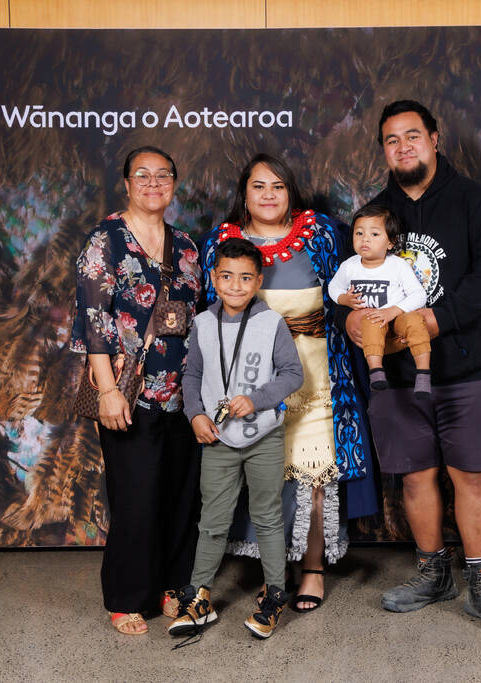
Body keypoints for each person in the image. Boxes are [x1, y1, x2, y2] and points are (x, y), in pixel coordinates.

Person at [344, 99, 481, 635]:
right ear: (384, 150)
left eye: (412, 136)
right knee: (416, 478)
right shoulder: (376, 216)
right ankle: (432, 574)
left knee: (471, 476)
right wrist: (353, 321)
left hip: (470, 369)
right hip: (398, 376)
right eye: (392, 140)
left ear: (435, 138)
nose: (403, 147)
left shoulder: (474, 201)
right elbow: (352, 289)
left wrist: (433, 320)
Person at [199, 153, 375, 613]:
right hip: (252, 380)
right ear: (244, 193)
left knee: (316, 475)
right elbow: (210, 313)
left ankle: (313, 568)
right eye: (259, 186)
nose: (269, 195)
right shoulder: (221, 242)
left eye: (278, 186)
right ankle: (275, 574)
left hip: (317, 374)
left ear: (291, 191)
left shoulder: (321, 234)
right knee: (267, 477)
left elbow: (350, 284)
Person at [70, 146, 202, 635]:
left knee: (180, 493)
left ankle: (173, 584)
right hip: (130, 393)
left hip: (184, 392)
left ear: (173, 183)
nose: (153, 183)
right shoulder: (105, 241)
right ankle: (127, 595)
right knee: (137, 496)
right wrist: (107, 390)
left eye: (162, 175)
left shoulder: (187, 247)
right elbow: (94, 322)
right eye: (141, 175)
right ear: (126, 184)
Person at [170, 238, 303, 639]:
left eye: (246, 278)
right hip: (218, 440)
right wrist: (194, 414)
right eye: (226, 276)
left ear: (258, 281)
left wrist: (258, 400)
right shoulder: (203, 324)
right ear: (213, 278)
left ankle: (274, 594)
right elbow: (191, 376)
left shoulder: (271, 323)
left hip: (262, 437)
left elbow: (293, 374)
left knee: (267, 517)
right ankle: (200, 596)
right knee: (212, 520)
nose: (235, 286)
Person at [328, 204, 431, 397]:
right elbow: (333, 287)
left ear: (390, 242)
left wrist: (393, 311)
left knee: (417, 322)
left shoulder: (397, 265)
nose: (365, 239)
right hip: (373, 319)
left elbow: (418, 295)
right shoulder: (349, 266)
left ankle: (423, 373)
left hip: (397, 316)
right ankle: (376, 372)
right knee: (370, 320)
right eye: (359, 233)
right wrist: (345, 299)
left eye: (374, 234)